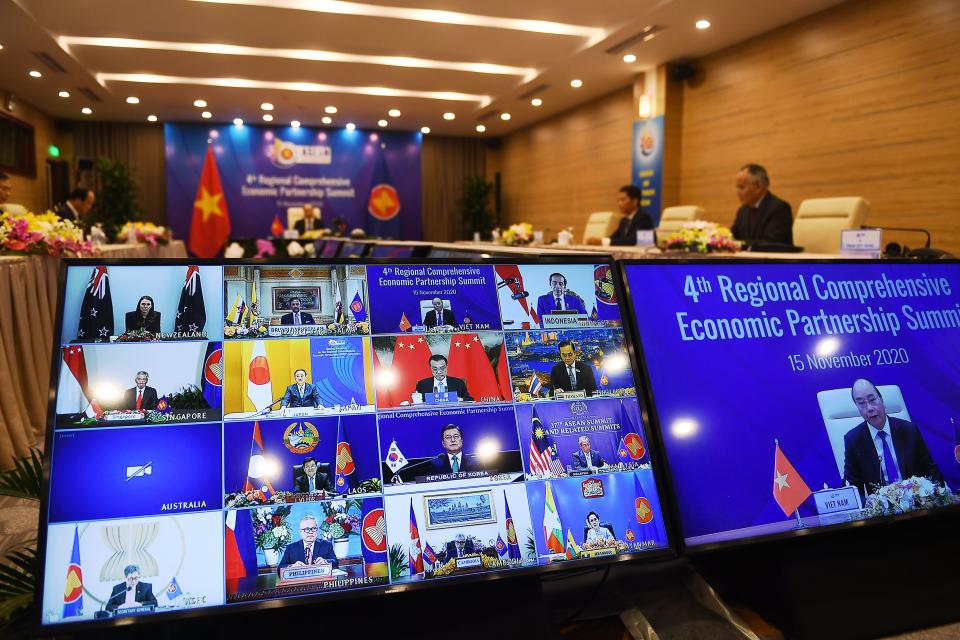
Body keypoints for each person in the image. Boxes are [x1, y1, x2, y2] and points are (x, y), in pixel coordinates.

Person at [842, 378, 943, 495]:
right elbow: (851, 488)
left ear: (882, 400)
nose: (869, 408)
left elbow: (931, 472)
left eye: (872, 399)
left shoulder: (909, 430)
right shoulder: (853, 440)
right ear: (857, 408)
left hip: (917, 505)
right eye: (861, 403)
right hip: (882, 509)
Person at [730, 164, 793, 247]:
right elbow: (733, 237)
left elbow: (771, 243)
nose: (737, 193)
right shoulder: (743, 211)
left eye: (741, 187)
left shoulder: (779, 208)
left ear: (758, 187)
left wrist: (741, 244)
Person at [586, 185, 653, 246]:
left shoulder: (643, 218)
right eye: (618, 200)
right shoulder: (623, 220)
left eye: (623, 199)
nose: (619, 204)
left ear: (635, 201)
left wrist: (603, 242)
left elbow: (632, 240)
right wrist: (599, 240)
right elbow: (614, 237)